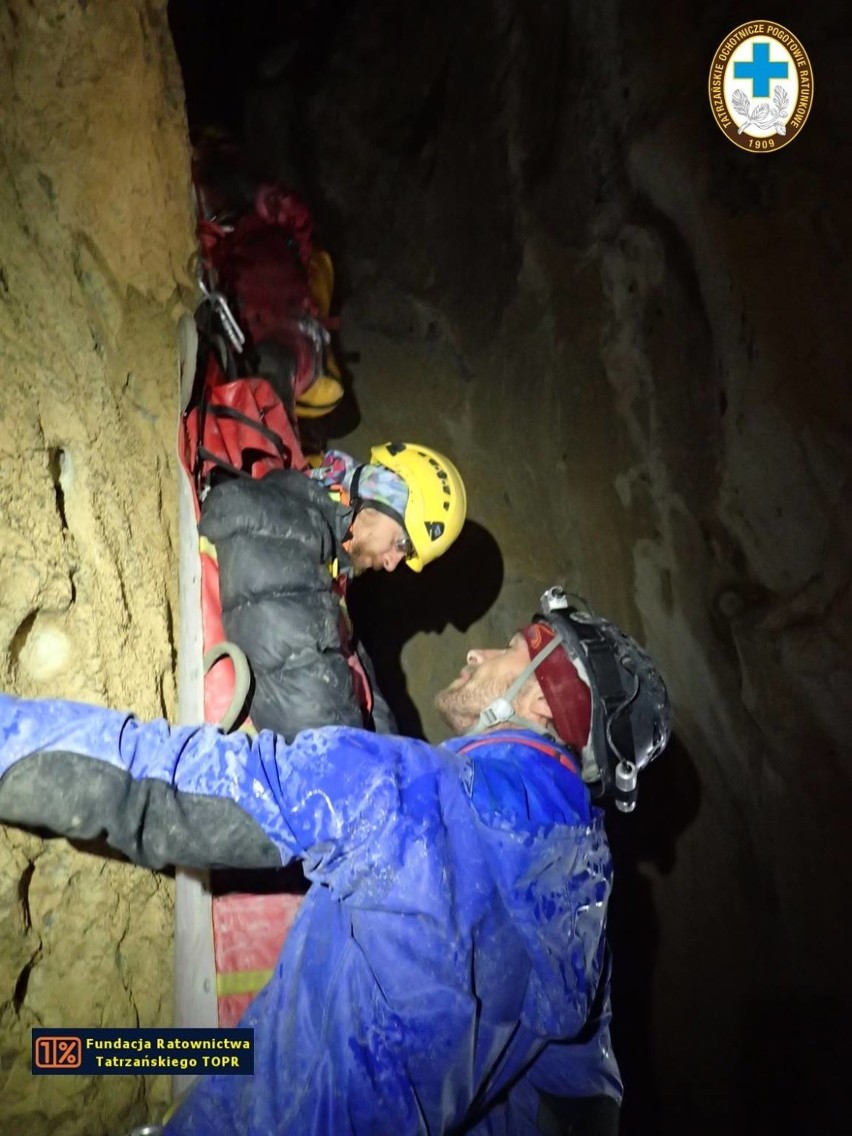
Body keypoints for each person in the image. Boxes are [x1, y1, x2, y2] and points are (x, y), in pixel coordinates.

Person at [0, 586, 670, 1135]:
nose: (478, 649)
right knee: (220, 1052)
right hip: (257, 1058)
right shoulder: (588, 930)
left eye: (513, 649)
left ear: (539, 700)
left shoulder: (408, 793)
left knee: (90, 1057)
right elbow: (572, 1116)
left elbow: (167, 779)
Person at [199, 441, 466, 739]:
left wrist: (392, 751)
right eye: (401, 544)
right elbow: (313, 723)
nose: (392, 564)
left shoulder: (324, 555)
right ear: (378, 497)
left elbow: (357, 666)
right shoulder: (281, 528)